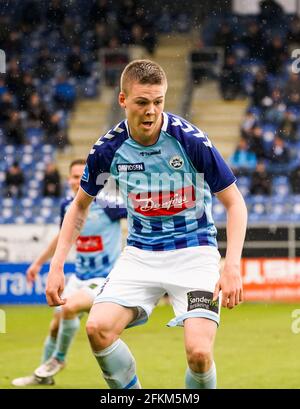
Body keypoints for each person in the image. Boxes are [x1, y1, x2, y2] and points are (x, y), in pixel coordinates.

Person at [45, 60, 247, 389]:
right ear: (123, 100)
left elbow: (235, 202)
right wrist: (56, 267)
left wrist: (233, 266)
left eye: (158, 101)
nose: (151, 111)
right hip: (140, 254)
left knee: (198, 352)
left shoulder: (191, 140)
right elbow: (78, 207)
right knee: (97, 329)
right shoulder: (107, 150)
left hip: (195, 253)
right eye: (142, 102)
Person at [12, 159, 127, 386]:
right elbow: (61, 238)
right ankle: (43, 377)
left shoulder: (109, 204)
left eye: (82, 176)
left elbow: (138, 212)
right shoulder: (68, 206)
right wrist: (38, 263)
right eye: (74, 177)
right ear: (68, 180)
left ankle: (60, 359)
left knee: (70, 307)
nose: (78, 181)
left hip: (104, 279)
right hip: (79, 277)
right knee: (55, 325)